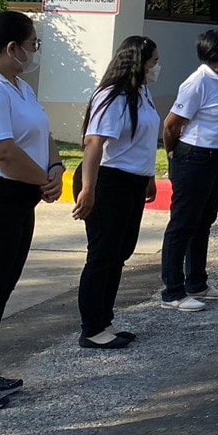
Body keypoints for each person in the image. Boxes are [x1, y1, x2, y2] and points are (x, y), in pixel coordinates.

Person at [0, 12, 61, 409]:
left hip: (18, 200)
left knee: (0, 287)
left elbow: (43, 131)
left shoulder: (19, 86)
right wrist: (42, 180)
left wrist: (55, 167)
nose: (35, 51)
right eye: (32, 44)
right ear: (12, 48)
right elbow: (1, 152)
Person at [73, 35, 160, 348]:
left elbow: (142, 140)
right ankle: (92, 328)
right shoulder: (112, 96)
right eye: (153, 62)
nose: (156, 67)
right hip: (108, 180)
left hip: (132, 181)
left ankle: (104, 320)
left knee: (120, 252)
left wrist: (149, 177)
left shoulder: (141, 92)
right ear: (138, 63)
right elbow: (94, 143)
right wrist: (88, 189)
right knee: (103, 254)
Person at [160, 28, 218, 311]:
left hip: (216, 156)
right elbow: (171, 124)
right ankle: (172, 291)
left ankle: (197, 281)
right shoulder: (198, 82)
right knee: (182, 223)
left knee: (204, 220)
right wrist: (173, 154)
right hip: (194, 156)